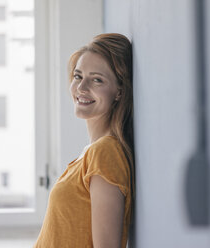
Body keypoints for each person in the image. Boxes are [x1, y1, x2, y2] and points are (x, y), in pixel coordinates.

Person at [34, 33, 134, 248]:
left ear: (119, 91)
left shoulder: (105, 152)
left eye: (97, 79)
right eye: (78, 76)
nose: (81, 88)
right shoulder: (92, 152)